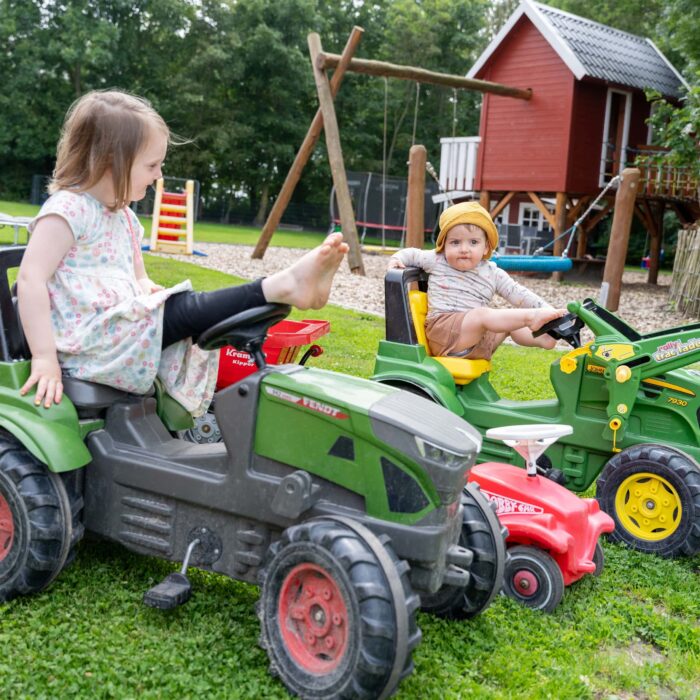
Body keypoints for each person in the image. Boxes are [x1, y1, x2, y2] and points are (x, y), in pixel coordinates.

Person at [18, 89, 348, 414]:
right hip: (87, 344)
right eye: (152, 165)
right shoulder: (68, 210)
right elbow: (31, 280)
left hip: (117, 332)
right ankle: (281, 286)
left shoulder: (125, 220)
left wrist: (150, 291)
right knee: (185, 310)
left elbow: (139, 279)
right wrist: (45, 358)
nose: (159, 175)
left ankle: (281, 289)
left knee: (192, 319)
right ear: (111, 163)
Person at [388, 201, 566, 360]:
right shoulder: (437, 260)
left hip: (478, 343)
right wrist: (397, 259)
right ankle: (531, 317)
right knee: (483, 314)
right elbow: (411, 253)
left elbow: (520, 294)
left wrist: (552, 313)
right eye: (455, 242)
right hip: (444, 336)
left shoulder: (493, 273)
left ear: (486, 247)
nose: (464, 249)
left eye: (473, 242)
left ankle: (545, 337)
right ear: (444, 245)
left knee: (508, 321)